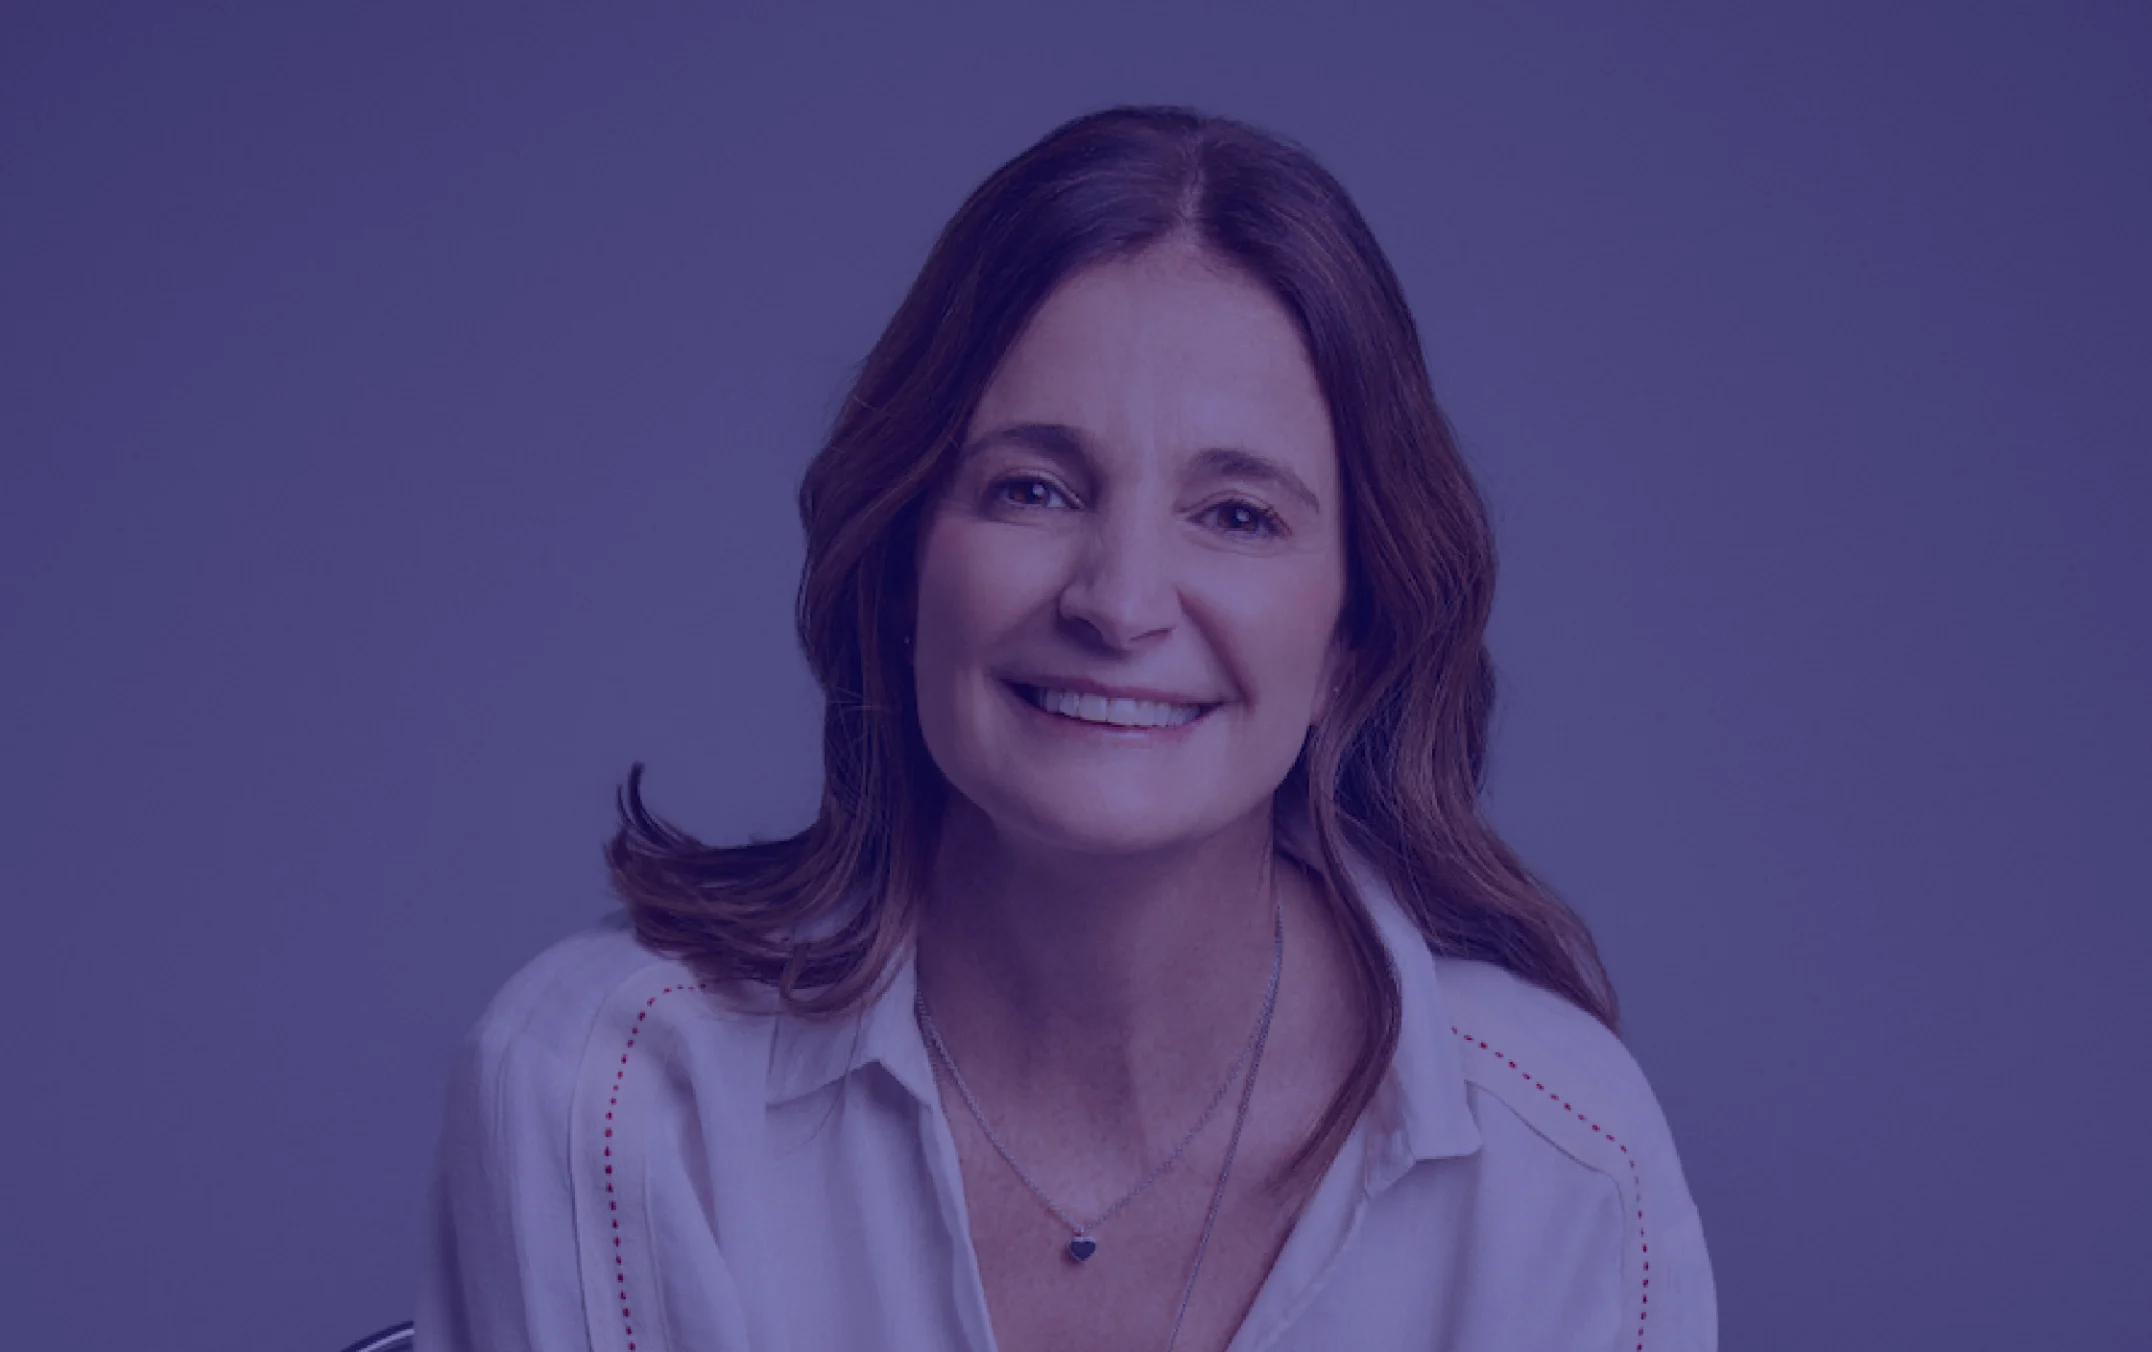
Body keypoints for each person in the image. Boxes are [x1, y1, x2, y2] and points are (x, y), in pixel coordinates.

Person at [414, 103, 1718, 1352]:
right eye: (1033, 489)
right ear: (904, 567)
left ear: (1353, 637)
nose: (1120, 602)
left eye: (1239, 514)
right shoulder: (617, 1098)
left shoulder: (1560, 1163)